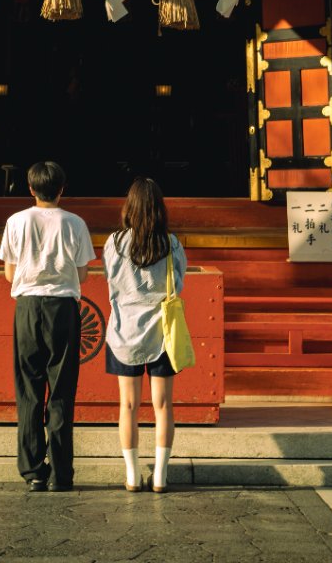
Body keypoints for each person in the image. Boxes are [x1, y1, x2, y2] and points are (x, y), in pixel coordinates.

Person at [0, 158, 96, 492]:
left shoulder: (16, 221)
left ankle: (32, 470)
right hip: (63, 306)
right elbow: (83, 273)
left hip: (27, 306)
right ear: (62, 189)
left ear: (30, 188)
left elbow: (10, 273)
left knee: (28, 388)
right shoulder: (75, 223)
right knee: (62, 388)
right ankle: (62, 472)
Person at [103, 176, 187, 493]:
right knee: (163, 406)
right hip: (162, 332)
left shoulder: (114, 243)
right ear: (159, 208)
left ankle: (132, 475)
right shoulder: (172, 243)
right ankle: (162, 476)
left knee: (128, 406)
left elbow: (110, 281)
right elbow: (178, 284)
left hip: (124, 329)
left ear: (130, 207)